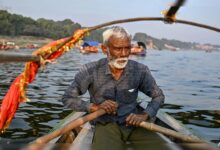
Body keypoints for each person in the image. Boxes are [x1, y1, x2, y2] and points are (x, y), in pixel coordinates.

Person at [62, 26, 165, 150]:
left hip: (134, 124)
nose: (124, 54)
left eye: (127, 48)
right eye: (118, 49)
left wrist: (145, 114)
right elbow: (67, 98)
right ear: (105, 48)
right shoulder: (89, 70)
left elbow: (158, 96)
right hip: (105, 124)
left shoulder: (140, 70)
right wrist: (95, 107)